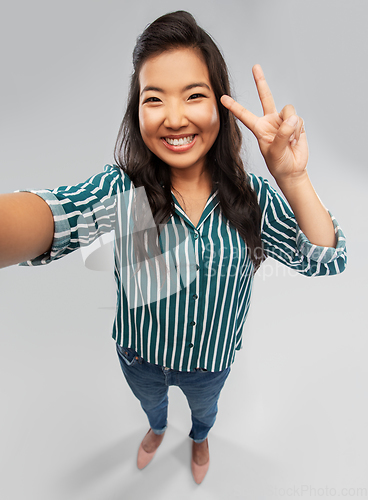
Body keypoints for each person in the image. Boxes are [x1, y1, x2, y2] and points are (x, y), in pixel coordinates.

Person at [0, 10, 347, 485]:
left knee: (206, 411)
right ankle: (157, 428)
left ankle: (200, 438)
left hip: (211, 363)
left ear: (221, 107)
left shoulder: (252, 200)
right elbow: (54, 213)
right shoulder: (122, 192)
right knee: (152, 406)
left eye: (194, 95)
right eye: (154, 98)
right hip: (139, 356)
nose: (175, 116)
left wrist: (293, 178)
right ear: (137, 110)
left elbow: (326, 259)